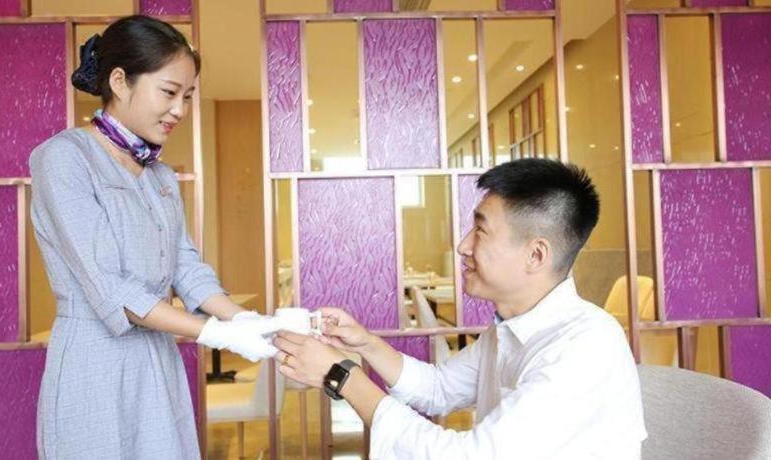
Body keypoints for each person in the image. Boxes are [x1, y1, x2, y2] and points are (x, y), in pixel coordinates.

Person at [273, 158, 647, 459]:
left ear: (535, 255)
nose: (463, 246)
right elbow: (438, 388)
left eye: (481, 231)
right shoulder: (509, 329)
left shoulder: (585, 348)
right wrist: (365, 343)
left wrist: (341, 376)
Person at [29, 16, 279, 459]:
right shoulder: (63, 159)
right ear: (119, 81)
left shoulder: (160, 175)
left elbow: (185, 267)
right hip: (95, 362)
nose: (180, 110)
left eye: (188, 96)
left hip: (157, 359)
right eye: (169, 92)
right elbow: (112, 289)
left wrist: (245, 321)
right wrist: (216, 334)